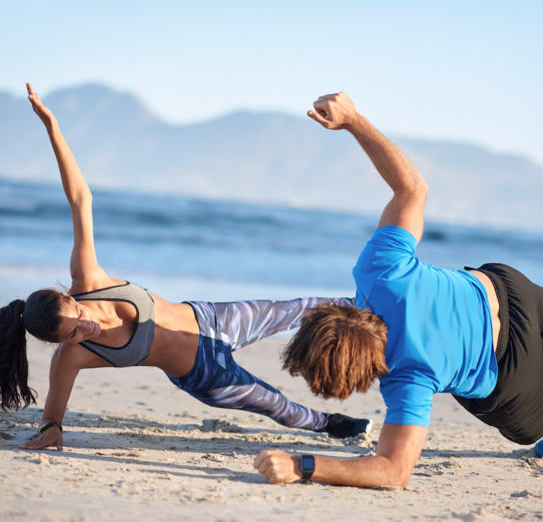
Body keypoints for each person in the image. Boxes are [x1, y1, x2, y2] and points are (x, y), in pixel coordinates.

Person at [253, 92, 543, 487]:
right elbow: (412, 187)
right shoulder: (378, 272)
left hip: (506, 373)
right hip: (501, 292)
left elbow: (394, 471)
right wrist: (353, 120)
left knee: (541, 420)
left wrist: (304, 465)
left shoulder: (407, 377)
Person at [0, 84, 371, 451]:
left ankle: (378, 308)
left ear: (69, 295)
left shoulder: (89, 278)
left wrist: (52, 127)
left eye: (78, 314)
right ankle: (333, 425)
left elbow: (81, 198)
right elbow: (52, 413)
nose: (88, 326)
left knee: (304, 308)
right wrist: (51, 429)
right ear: (61, 344)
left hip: (213, 320)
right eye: (75, 333)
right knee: (276, 405)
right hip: (204, 374)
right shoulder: (72, 357)